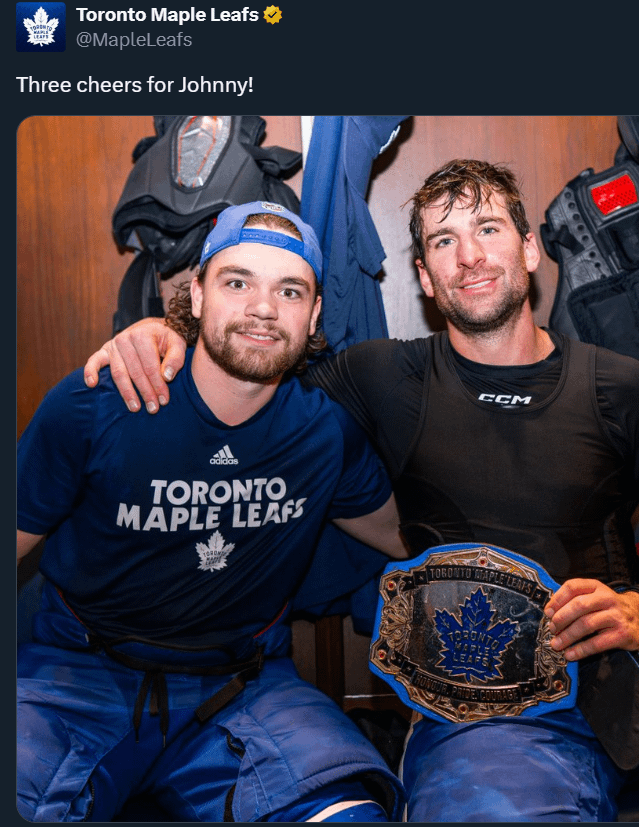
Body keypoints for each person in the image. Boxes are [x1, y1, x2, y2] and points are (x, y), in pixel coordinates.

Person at [84, 161, 639, 822]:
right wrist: (172, 335)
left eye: (488, 228)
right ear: (424, 276)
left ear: (530, 250)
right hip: (487, 709)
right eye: (444, 240)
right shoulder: (383, 379)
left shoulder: (622, 385)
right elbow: (251, 372)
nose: (469, 256)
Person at [17, 202, 410, 822]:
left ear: (313, 315)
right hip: (76, 680)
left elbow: (406, 536)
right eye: (237, 282)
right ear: (197, 295)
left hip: (242, 689)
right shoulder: (100, 403)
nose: (263, 308)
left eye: (289, 290)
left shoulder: (325, 434)